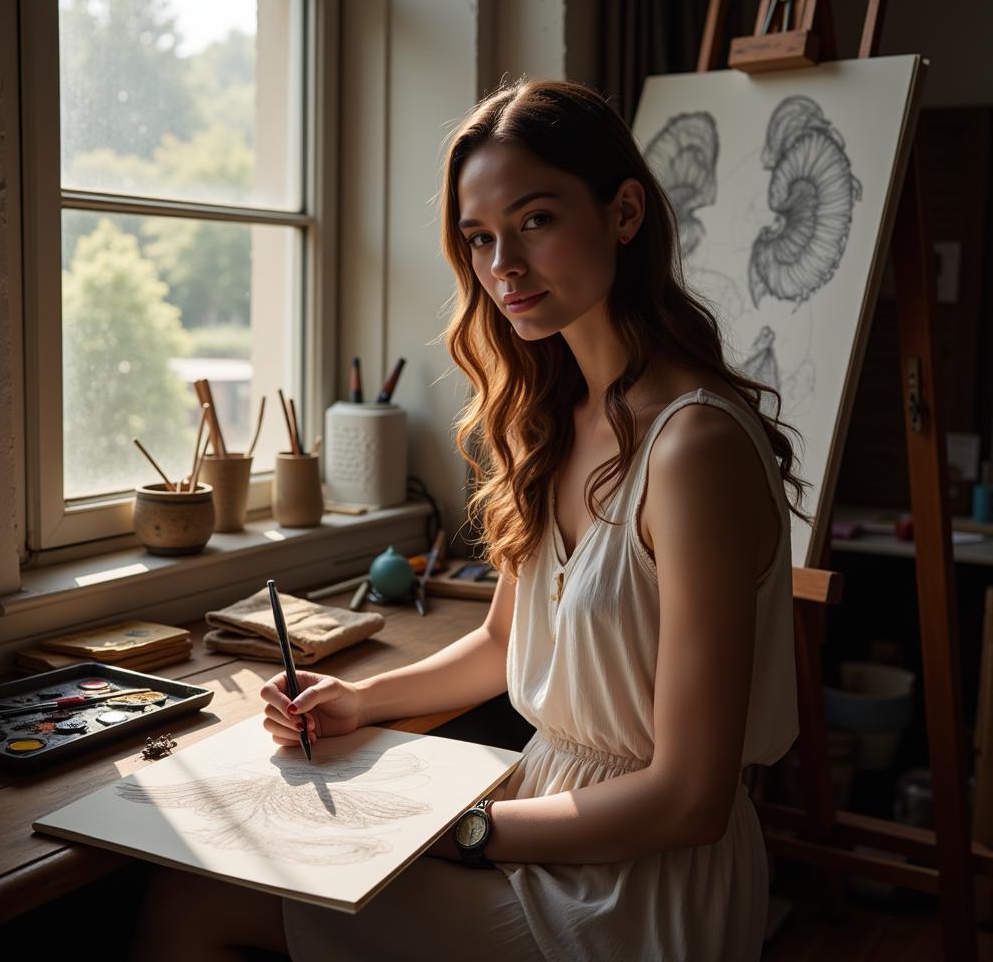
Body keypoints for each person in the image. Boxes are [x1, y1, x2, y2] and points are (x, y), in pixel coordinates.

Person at [128, 78, 810, 962]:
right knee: (218, 869)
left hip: (635, 889)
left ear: (626, 212)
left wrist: (469, 831)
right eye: (480, 238)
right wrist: (358, 700)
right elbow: (499, 645)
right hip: (541, 826)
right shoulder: (551, 424)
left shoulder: (693, 449)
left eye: (535, 221)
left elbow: (689, 797)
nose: (504, 268)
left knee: (194, 905)